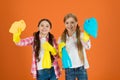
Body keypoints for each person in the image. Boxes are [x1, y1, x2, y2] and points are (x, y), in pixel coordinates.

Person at [58, 13, 91, 80]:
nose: (69, 25)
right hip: (69, 70)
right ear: (64, 24)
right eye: (67, 23)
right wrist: (59, 51)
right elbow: (60, 55)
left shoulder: (81, 35)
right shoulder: (61, 39)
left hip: (81, 68)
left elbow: (88, 47)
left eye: (72, 22)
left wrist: (85, 37)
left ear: (76, 23)